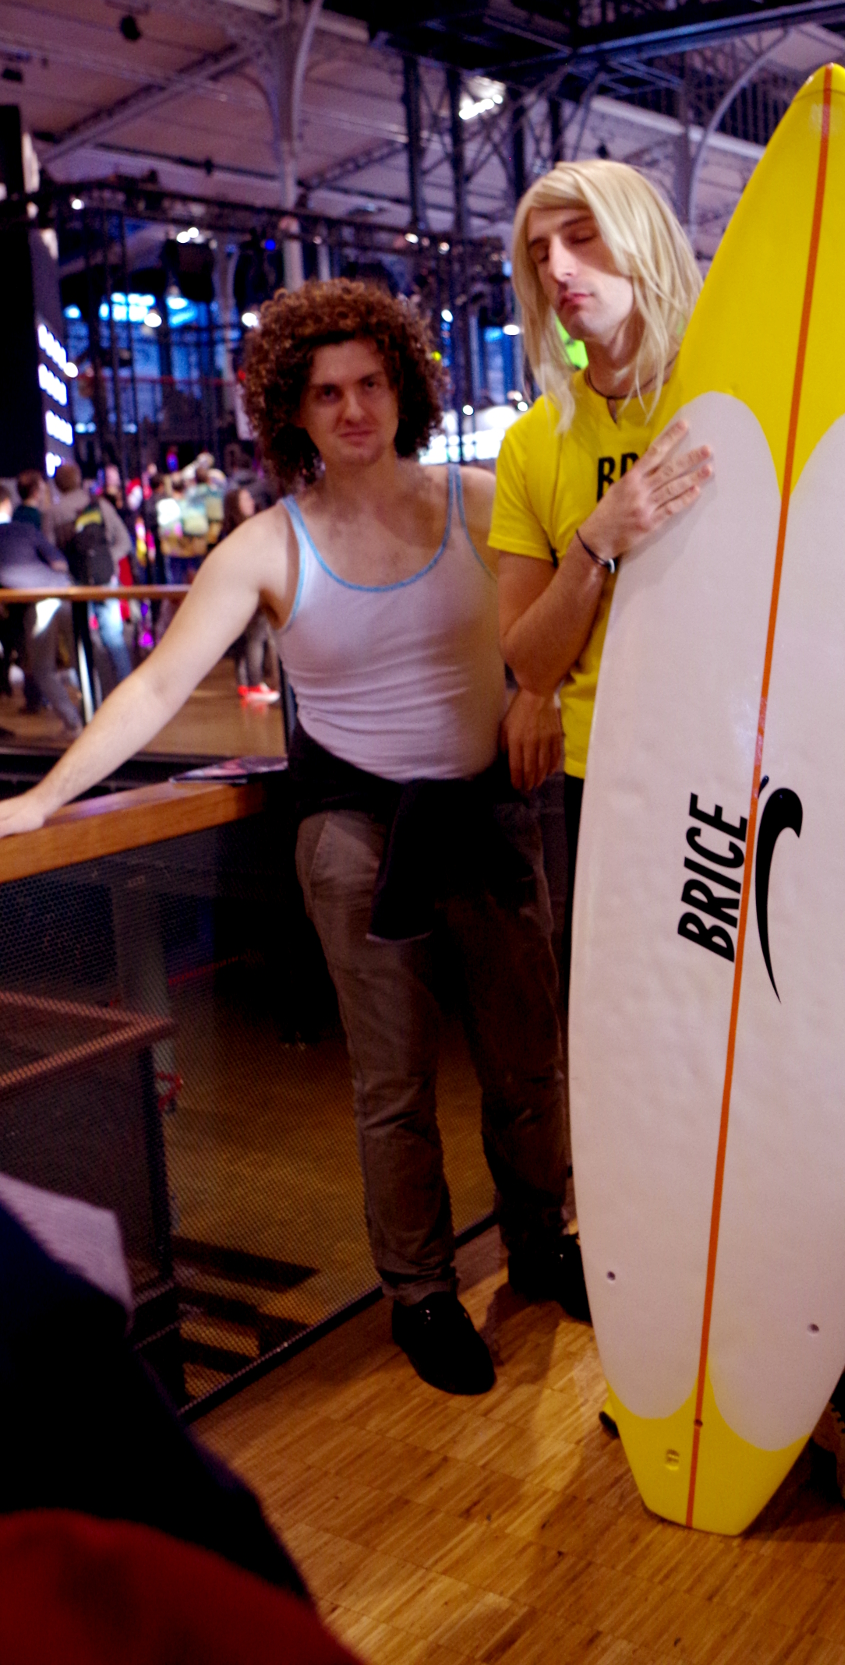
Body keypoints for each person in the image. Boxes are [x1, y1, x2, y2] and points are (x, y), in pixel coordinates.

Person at [491, 157, 845, 1518]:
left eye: (583, 238)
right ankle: (661, 1354)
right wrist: (601, 538)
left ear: (643, 242)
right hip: (618, 810)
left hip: (783, 793)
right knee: (647, 1096)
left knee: (815, 1081)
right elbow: (526, 664)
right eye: (538, 252)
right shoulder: (536, 448)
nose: (560, 270)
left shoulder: (754, 377)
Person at [0, 277, 587, 1396]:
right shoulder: (267, 547)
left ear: (403, 389)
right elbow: (157, 685)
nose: (354, 408)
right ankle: (420, 1293)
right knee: (393, 1083)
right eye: (327, 392)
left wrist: (539, 695)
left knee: (527, 1061)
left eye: (370, 383)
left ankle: (540, 1242)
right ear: (293, 411)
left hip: (491, 811)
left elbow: (572, 614)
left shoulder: (480, 503)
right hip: (355, 832)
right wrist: (43, 799)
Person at [0, 471, 80, 733]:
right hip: (66, 592)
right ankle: (96, 716)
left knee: (42, 669)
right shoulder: (25, 529)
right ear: (7, 504)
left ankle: (73, 723)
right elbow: (59, 563)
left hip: (37, 603)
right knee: (79, 660)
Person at [51, 462, 133, 696]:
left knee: (81, 641)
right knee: (113, 638)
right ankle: (128, 691)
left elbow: (51, 554)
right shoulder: (100, 505)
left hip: (75, 583)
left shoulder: (54, 513)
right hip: (105, 578)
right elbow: (124, 541)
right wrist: (106, 559)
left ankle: (91, 697)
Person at [218, 487, 278, 702]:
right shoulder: (248, 531)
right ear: (236, 505)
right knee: (256, 638)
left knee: (244, 639)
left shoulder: (226, 532)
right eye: (245, 499)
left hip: (234, 594)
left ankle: (244, 682)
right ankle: (255, 684)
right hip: (252, 591)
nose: (251, 501)